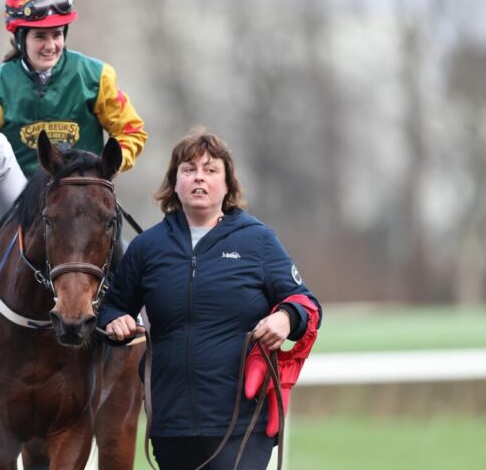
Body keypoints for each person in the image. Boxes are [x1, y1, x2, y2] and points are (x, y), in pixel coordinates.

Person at [0, 0, 147, 352]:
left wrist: (101, 168)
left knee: (129, 260)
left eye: (57, 35)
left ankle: (140, 331)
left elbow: (132, 132)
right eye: (39, 37)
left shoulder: (96, 76)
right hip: (23, 197)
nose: (50, 45)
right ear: (20, 39)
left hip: (81, 197)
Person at [98, 129, 321, 470]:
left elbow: (306, 304)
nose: (199, 177)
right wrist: (114, 319)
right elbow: (111, 306)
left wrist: (286, 317)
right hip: (171, 426)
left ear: (228, 184)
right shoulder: (147, 248)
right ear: (175, 183)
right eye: (188, 169)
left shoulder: (258, 241)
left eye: (210, 169)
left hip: (243, 424)